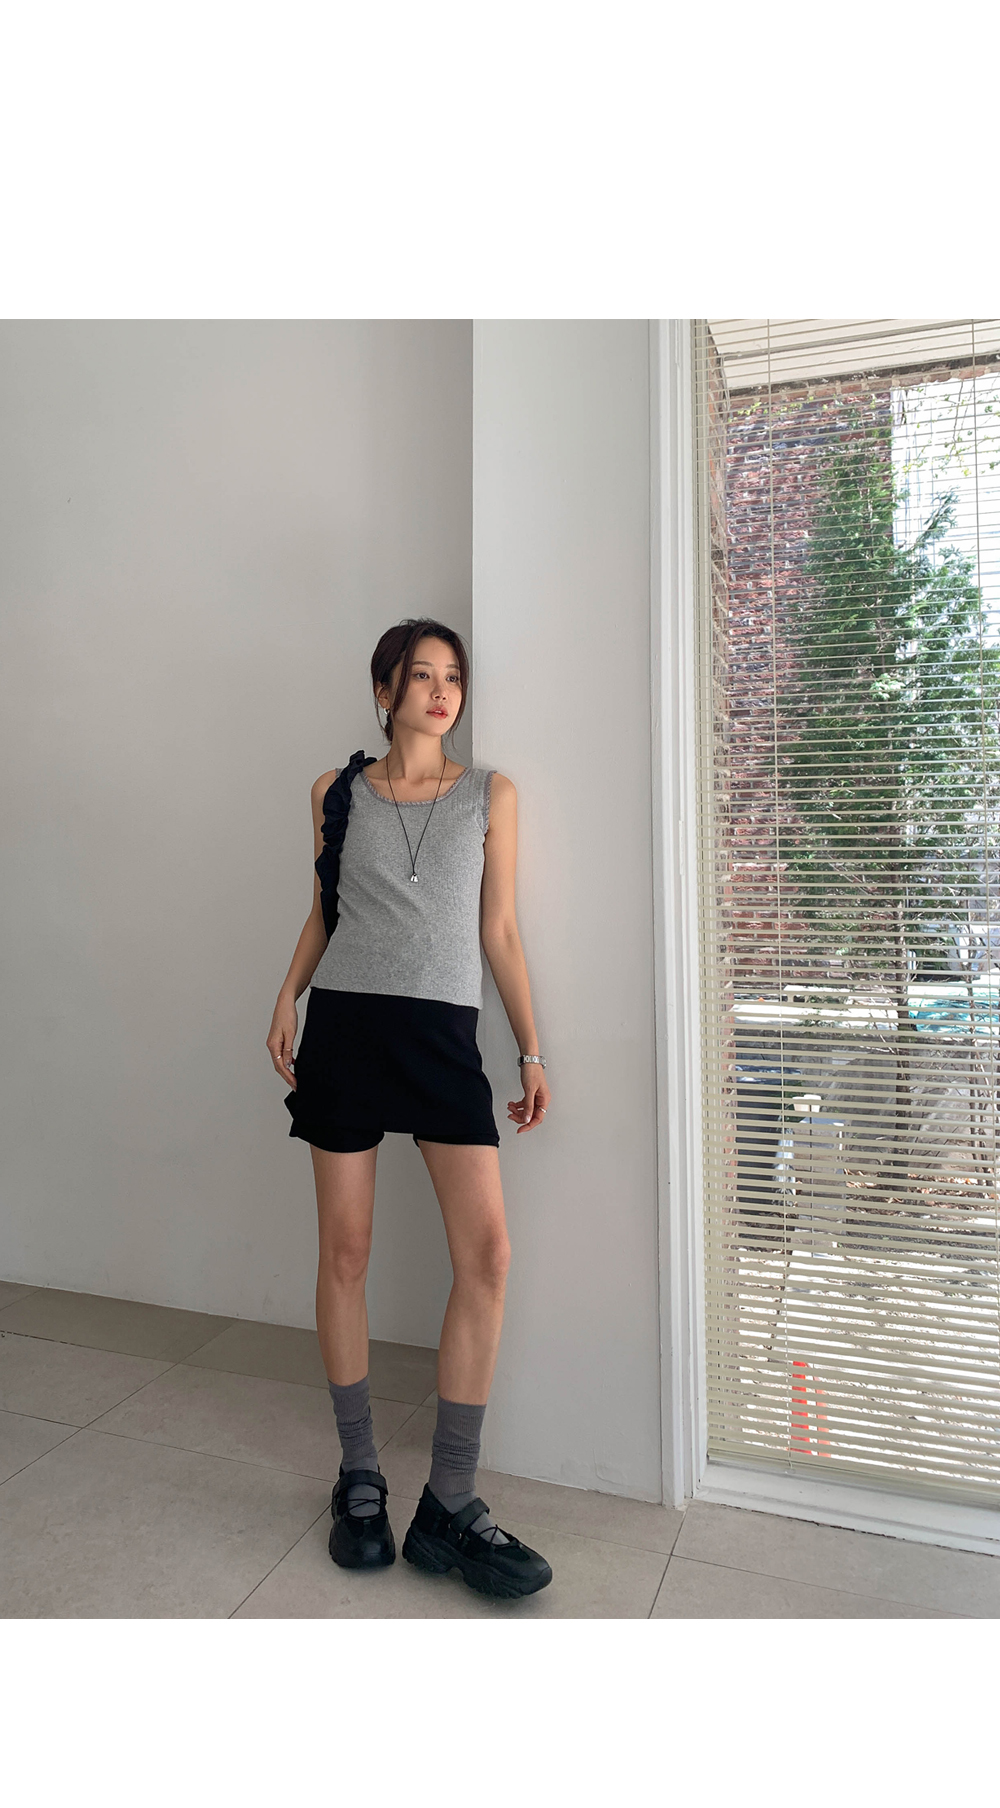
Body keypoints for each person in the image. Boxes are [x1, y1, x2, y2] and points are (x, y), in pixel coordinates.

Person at [266, 617, 553, 1601]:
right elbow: (325, 910)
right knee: (344, 1253)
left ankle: (450, 1503)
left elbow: (498, 929)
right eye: (421, 675)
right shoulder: (334, 791)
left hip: (441, 1040)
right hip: (345, 1027)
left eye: (453, 677)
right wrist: (286, 995)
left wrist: (530, 1047)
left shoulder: (488, 793)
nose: (440, 691)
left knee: (488, 1257)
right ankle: (358, 1479)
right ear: (385, 689)